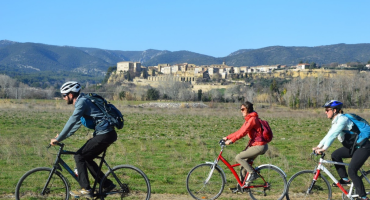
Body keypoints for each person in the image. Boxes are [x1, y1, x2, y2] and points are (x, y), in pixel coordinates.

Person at [50, 81, 117, 198]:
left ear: (70, 95)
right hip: (106, 134)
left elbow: (72, 120)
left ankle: (86, 189)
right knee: (86, 158)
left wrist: (59, 138)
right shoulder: (82, 101)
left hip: (105, 134)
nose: (64, 98)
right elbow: (75, 125)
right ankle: (106, 184)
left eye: (64, 95)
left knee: (79, 156)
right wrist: (60, 137)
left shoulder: (82, 102)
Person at [313, 100, 370, 200]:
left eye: (327, 110)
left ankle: (363, 197)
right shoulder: (336, 121)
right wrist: (319, 146)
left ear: (335, 110)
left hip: (363, 147)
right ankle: (345, 179)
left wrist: (324, 149)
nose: (325, 112)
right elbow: (329, 134)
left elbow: (334, 134)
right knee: (336, 155)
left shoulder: (342, 119)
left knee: (352, 170)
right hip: (354, 148)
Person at [223, 101, 268, 188]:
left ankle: (253, 173)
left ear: (248, 109)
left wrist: (232, 141)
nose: (241, 111)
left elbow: (243, 133)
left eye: (243, 109)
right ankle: (243, 186)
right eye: (241, 109)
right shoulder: (249, 119)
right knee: (244, 166)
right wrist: (227, 137)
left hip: (259, 146)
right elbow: (239, 131)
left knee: (238, 157)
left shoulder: (252, 119)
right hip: (256, 145)